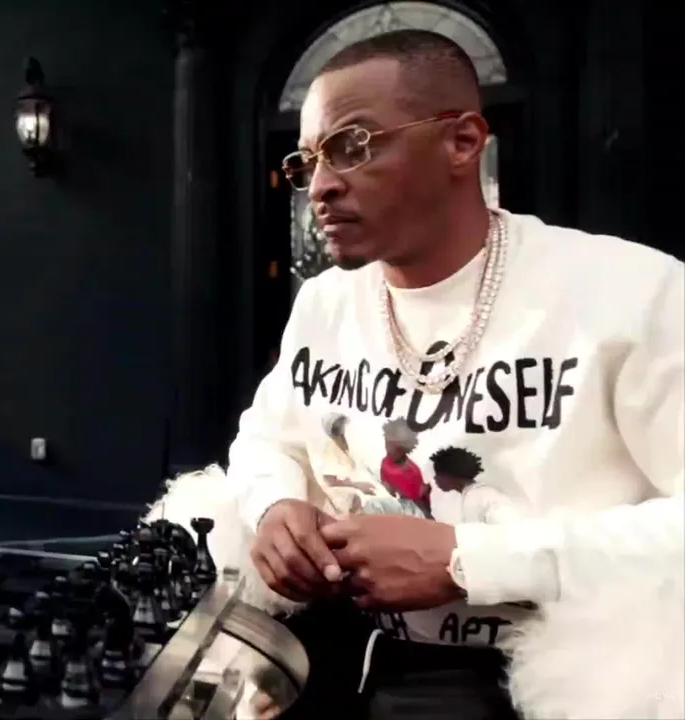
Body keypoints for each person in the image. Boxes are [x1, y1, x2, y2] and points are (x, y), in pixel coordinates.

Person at [149, 29, 683, 720]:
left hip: (570, 682)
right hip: (348, 658)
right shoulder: (325, 303)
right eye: (308, 160)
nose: (321, 185)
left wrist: (469, 559)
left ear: (463, 142)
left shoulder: (633, 292)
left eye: (352, 146)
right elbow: (267, 439)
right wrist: (274, 506)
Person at [428, 446, 519, 525]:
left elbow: (476, 535)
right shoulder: (483, 492)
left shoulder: (474, 497)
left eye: (438, 474)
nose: (435, 478)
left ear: (450, 475)